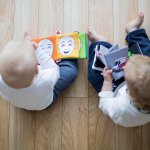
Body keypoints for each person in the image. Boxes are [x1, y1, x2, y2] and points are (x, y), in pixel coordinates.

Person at [87, 12, 150, 127]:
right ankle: (133, 31)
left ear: (131, 94)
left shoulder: (120, 107)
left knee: (94, 74)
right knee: (147, 51)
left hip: (116, 89)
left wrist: (107, 82)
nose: (125, 66)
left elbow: (105, 104)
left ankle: (99, 43)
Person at [0, 32, 78, 110]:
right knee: (70, 72)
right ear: (37, 69)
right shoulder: (45, 79)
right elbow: (54, 69)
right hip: (44, 103)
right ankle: (68, 60)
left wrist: (26, 45)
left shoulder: (1, 81)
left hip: (22, 103)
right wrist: (38, 51)